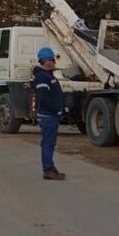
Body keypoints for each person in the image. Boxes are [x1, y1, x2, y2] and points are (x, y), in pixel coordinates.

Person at [33, 47, 66, 180]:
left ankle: (50, 168)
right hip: (48, 116)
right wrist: (56, 109)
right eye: (49, 60)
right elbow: (43, 97)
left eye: (52, 59)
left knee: (49, 143)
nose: (52, 62)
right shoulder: (42, 77)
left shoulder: (47, 75)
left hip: (50, 115)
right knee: (48, 143)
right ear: (43, 61)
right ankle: (48, 169)